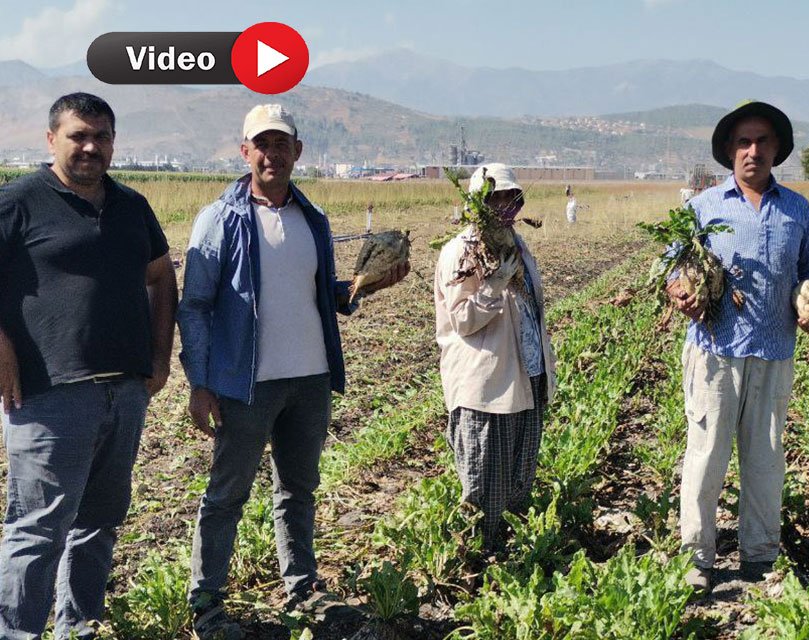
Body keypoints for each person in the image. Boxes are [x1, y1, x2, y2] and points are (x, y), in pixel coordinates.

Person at [177, 104, 407, 639]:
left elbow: (321, 297)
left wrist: (363, 287)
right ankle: (207, 603)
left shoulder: (313, 218)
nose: (271, 153)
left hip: (309, 378)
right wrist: (200, 381)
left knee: (298, 488)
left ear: (297, 151)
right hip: (245, 382)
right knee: (227, 494)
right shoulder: (221, 219)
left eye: (281, 144)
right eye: (261, 143)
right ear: (245, 152)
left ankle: (302, 587)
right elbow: (195, 305)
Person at [0, 92, 177, 640]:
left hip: (124, 392)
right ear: (52, 139)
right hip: (49, 393)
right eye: (79, 135)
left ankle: (81, 628)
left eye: (101, 136)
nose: (90, 147)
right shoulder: (18, 202)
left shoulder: (132, 206)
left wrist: (159, 355)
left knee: (99, 523)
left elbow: (161, 277)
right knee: (38, 529)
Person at [670, 101, 809, 592]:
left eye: (763, 141)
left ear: (777, 150)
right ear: (729, 150)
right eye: (744, 141)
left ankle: (760, 555)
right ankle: (695, 559)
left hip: (774, 350)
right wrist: (680, 289)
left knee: (765, 458)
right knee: (705, 454)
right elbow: (673, 266)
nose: (753, 150)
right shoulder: (702, 207)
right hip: (715, 351)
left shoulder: (797, 209)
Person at [435, 162, 556, 550]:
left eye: (510, 197)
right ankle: (476, 564)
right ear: (477, 204)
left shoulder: (518, 245)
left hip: (526, 378)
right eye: (494, 198)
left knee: (520, 479)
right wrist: (492, 287)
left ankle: (510, 559)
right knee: (484, 484)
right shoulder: (462, 251)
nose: (504, 206)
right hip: (485, 389)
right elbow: (461, 319)